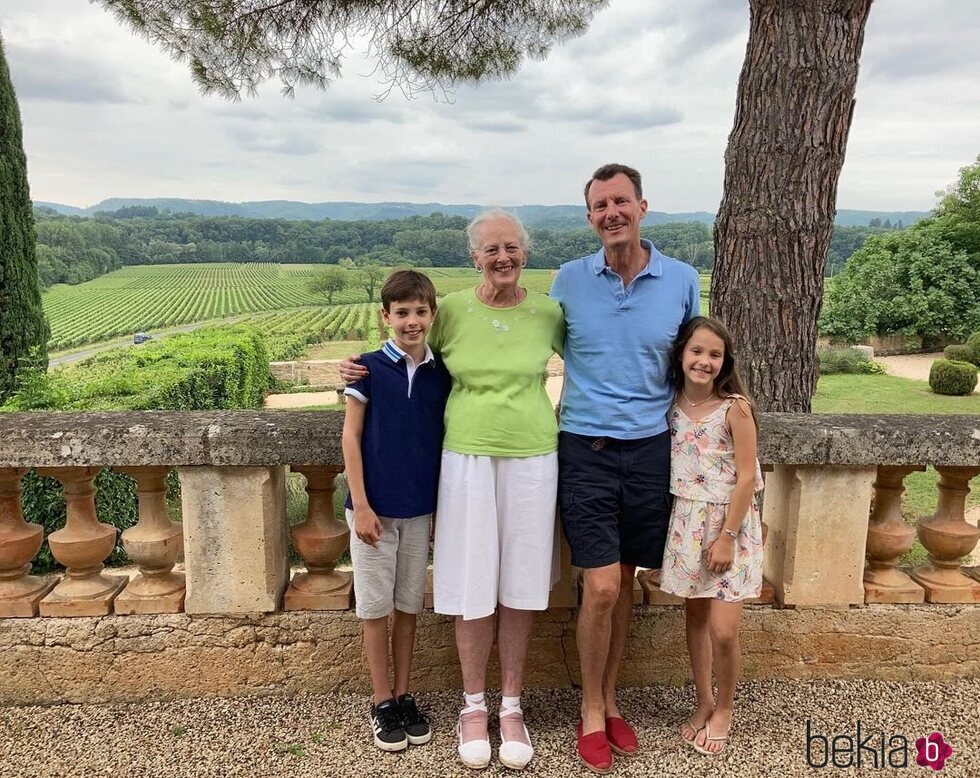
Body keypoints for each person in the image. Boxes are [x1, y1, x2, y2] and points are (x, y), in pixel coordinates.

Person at [342, 208, 564, 771]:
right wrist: (349, 371)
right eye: (491, 249)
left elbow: (597, 365)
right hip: (463, 459)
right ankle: (472, 705)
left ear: (525, 251)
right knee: (468, 581)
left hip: (534, 457)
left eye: (511, 247)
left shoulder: (549, 312)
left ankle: (510, 705)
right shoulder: (453, 312)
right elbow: (404, 359)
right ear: (474, 257)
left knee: (519, 580)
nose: (503, 258)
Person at [550, 163, 700, 772]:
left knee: (629, 581)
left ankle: (611, 698)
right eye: (599, 206)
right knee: (602, 586)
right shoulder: (567, 281)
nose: (611, 213)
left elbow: (696, 358)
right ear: (589, 218)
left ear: (642, 208)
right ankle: (590, 708)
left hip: (651, 452)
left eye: (621, 202)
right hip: (584, 448)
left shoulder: (682, 279)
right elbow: (516, 339)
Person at [341, 269, 451, 753]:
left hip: (419, 511)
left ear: (432, 314)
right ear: (385, 316)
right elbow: (350, 437)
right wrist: (362, 506)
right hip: (374, 513)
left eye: (420, 311)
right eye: (402, 312)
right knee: (374, 608)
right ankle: (381, 700)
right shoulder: (366, 368)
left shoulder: (441, 372)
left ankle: (405, 693)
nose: (411, 320)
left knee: (409, 605)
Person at [659, 316, 764, 757]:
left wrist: (727, 536)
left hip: (728, 527)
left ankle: (724, 709)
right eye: (697, 351)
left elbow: (745, 478)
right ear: (682, 354)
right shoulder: (670, 405)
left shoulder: (735, 407)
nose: (704, 361)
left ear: (725, 362)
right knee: (696, 620)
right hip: (686, 524)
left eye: (714, 354)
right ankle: (703, 701)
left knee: (723, 630)